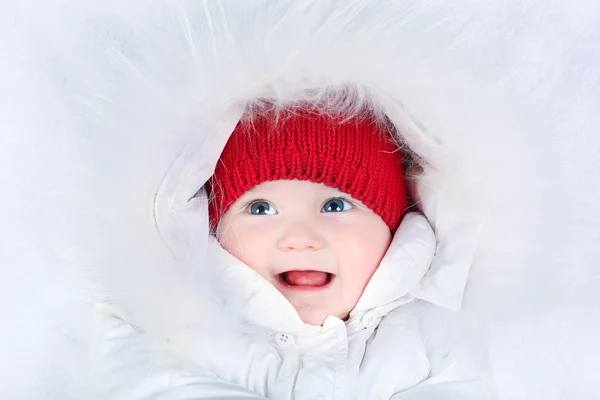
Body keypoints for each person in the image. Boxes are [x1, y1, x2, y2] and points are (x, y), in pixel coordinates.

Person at [92, 101, 489, 399]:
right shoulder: (174, 327)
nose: (299, 237)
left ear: (392, 227)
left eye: (335, 206)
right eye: (261, 208)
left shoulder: (432, 336)